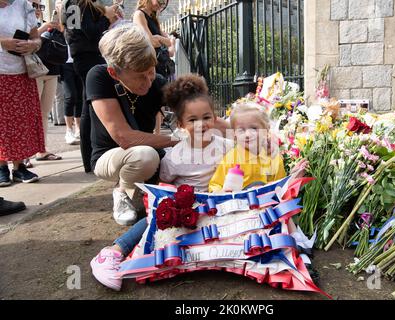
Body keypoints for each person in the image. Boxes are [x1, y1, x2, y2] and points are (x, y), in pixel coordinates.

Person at [90, 73, 233, 291]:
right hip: (187, 208)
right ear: (181, 124)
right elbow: (162, 186)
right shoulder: (176, 155)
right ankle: (114, 252)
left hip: (219, 206)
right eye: (193, 120)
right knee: (160, 214)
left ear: (215, 118)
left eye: (206, 117)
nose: (201, 125)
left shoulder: (226, 146)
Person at [86, 24, 177, 227]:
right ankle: (121, 192)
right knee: (146, 156)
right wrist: (176, 141)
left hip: (141, 151)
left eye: (151, 72)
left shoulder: (157, 82)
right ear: (114, 73)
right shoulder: (98, 77)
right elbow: (124, 137)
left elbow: (191, 104)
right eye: (139, 76)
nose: (148, 81)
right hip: (108, 156)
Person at [62, 0, 122, 172]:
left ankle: (91, 157)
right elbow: (90, 32)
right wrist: (106, 17)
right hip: (86, 56)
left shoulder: (76, 4)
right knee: (90, 106)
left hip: (87, 56)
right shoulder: (78, 4)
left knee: (90, 107)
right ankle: (90, 158)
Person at [0, 0, 44, 186]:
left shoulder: (23, 5)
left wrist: (33, 45)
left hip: (21, 70)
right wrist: (3, 43)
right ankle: (1, 167)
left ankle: (19, 167)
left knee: (20, 120)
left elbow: (36, 37)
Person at [209, 103, 286, 192]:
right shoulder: (231, 157)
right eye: (241, 130)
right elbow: (215, 184)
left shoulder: (273, 157)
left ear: (266, 129)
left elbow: (281, 185)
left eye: (254, 128)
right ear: (234, 133)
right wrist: (221, 191)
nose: (248, 135)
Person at [32, 0, 63, 162]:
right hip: (32, 72)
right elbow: (26, 38)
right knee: (31, 113)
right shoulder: (26, 25)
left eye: (39, 6)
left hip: (51, 70)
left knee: (44, 112)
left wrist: (57, 27)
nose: (37, 10)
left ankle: (41, 149)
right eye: (34, 6)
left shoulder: (46, 24)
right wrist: (44, 28)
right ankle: (24, 153)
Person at [133, 0, 174, 79]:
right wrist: (161, 40)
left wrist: (158, 38)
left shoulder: (153, 18)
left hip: (159, 64)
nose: (161, 6)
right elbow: (150, 42)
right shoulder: (139, 14)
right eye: (160, 2)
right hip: (148, 64)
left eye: (164, 5)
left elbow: (170, 41)